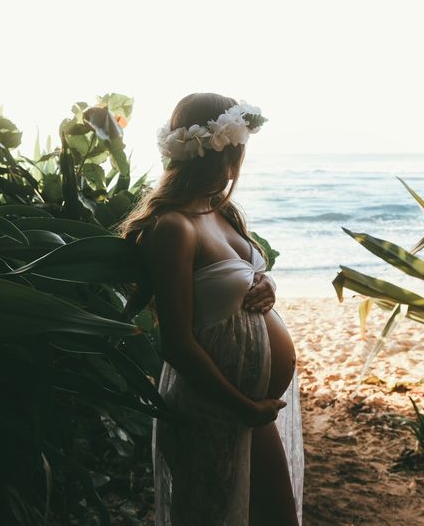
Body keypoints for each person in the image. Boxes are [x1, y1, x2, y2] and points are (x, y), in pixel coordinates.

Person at [119, 93, 304, 526]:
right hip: (218, 406)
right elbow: (177, 343)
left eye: (237, 152)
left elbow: (238, 279)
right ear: (213, 150)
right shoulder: (174, 228)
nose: (235, 164)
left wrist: (266, 286)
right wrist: (241, 405)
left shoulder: (223, 212)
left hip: (251, 409)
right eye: (232, 151)